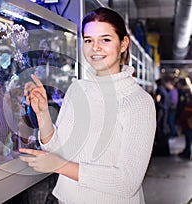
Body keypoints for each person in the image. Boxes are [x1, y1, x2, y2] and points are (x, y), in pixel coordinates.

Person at [19, 7, 156, 204]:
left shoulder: (138, 102)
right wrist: (42, 114)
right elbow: (59, 150)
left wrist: (59, 166)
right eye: (88, 40)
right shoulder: (77, 90)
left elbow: (127, 182)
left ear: (124, 43)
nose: (95, 48)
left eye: (105, 40)